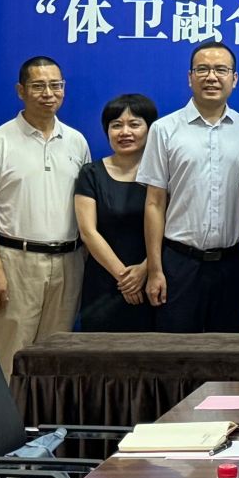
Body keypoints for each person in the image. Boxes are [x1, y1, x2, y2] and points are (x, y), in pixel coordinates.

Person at [0, 56, 92, 376]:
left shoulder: (77, 141)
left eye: (55, 85)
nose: (48, 93)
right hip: (15, 262)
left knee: (56, 359)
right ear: (20, 91)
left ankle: (45, 413)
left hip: (68, 262)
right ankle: (5, 413)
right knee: (10, 355)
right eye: (38, 86)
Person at [141, 40, 239, 332]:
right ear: (190, 77)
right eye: (203, 69)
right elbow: (154, 203)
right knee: (176, 352)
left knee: (228, 350)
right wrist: (155, 269)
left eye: (221, 70)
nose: (211, 77)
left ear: (234, 78)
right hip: (179, 263)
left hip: (234, 263)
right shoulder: (164, 130)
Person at [73, 92, 159, 333]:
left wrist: (145, 269)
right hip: (104, 283)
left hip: (153, 279)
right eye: (116, 125)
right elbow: (88, 232)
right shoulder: (91, 173)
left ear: (150, 129)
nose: (125, 132)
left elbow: (172, 227)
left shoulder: (162, 175)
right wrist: (124, 278)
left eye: (134, 124)